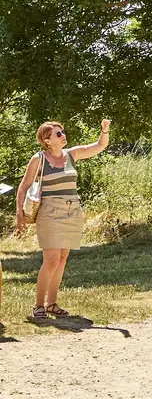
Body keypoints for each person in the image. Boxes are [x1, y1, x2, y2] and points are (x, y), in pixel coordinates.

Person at [15, 118, 110, 324]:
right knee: (51, 258)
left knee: (63, 258)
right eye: (58, 133)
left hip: (72, 210)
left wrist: (104, 131)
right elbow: (23, 187)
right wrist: (19, 214)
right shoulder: (38, 159)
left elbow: (100, 146)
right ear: (47, 140)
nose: (62, 135)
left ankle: (52, 304)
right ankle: (39, 306)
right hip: (50, 211)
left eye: (62, 132)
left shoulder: (71, 155)